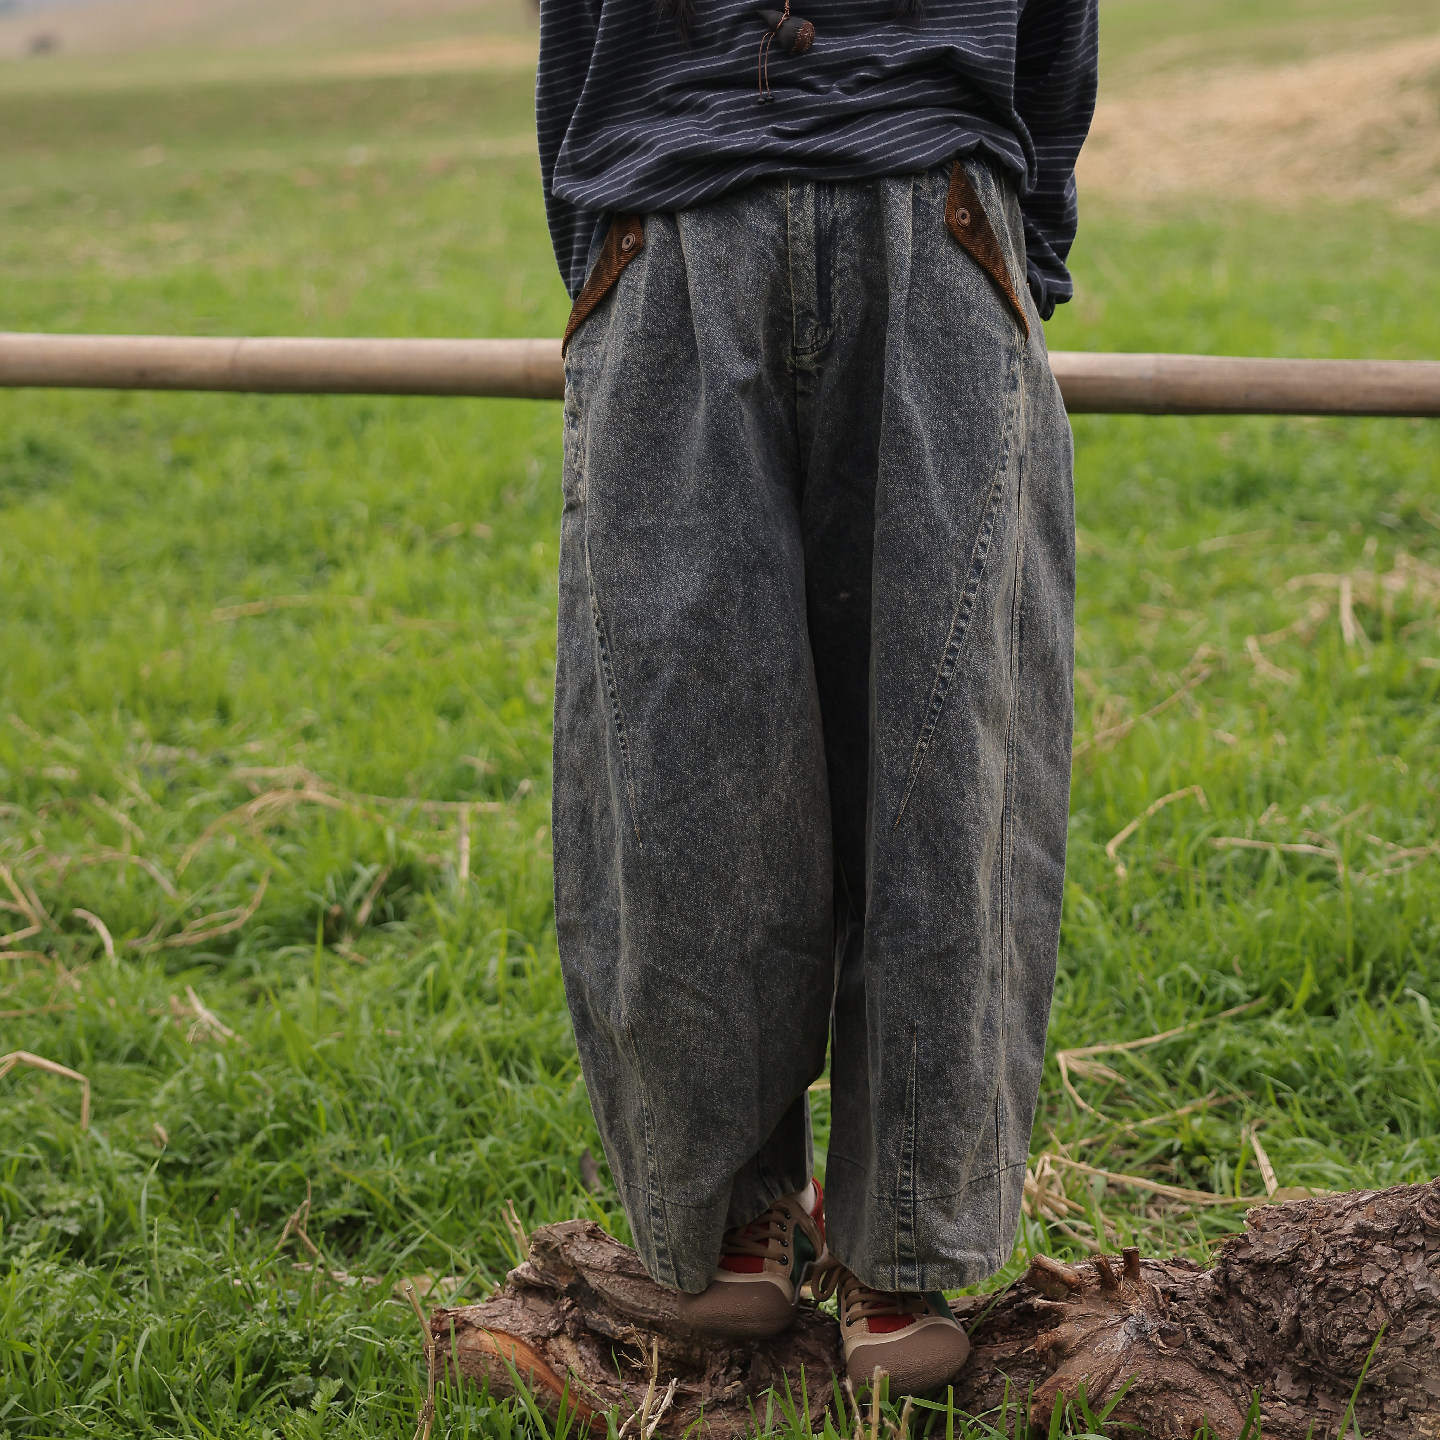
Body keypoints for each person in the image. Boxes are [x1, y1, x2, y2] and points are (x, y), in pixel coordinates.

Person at [538, 0, 1096, 1396]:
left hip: (930, 210)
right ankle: (731, 1220)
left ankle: (899, 1243)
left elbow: (1055, 31)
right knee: (681, 748)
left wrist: (1024, 250)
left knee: (945, 747)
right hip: (674, 220)